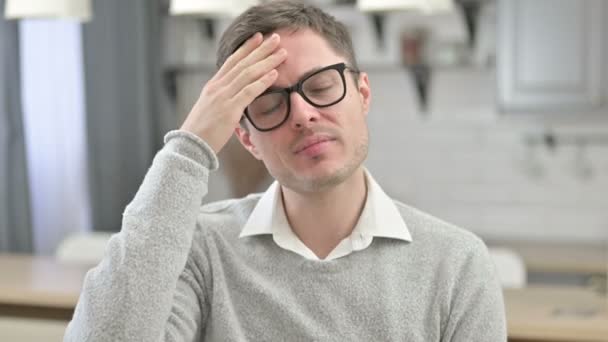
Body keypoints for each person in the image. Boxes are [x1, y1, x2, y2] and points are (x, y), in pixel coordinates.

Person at [64, 1, 506, 341]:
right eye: (270, 103)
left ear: (363, 93)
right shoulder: (199, 251)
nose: (303, 113)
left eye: (320, 86)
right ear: (246, 137)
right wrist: (190, 145)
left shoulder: (458, 263)